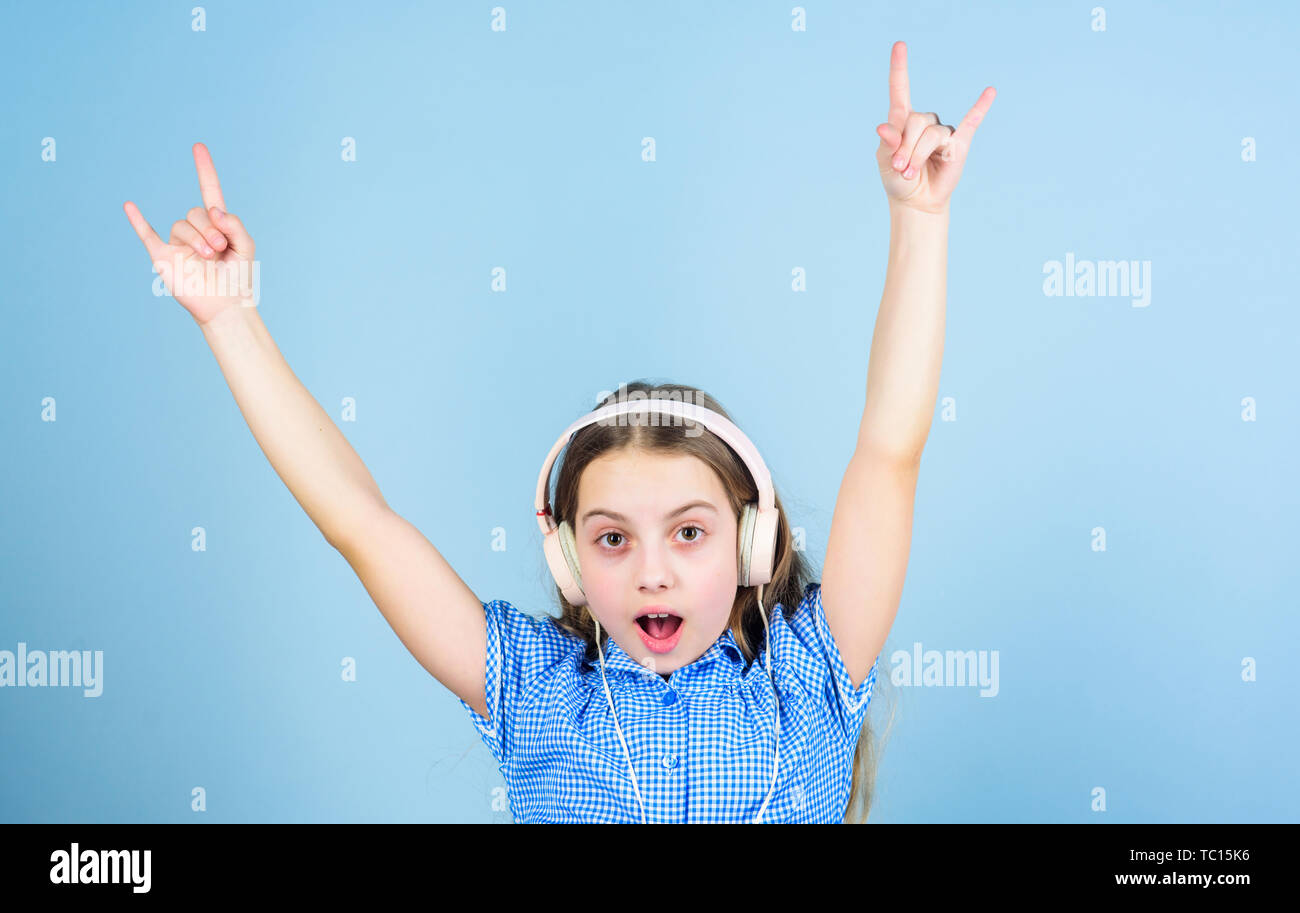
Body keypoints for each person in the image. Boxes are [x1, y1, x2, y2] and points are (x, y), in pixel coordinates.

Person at [122, 40, 994, 822]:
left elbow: (889, 451)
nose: (651, 569)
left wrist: (919, 222)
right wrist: (232, 322)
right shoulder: (535, 689)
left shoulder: (809, 676)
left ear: (753, 540)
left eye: (690, 531)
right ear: (570, 560)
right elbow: (359, 521)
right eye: (612, 538)